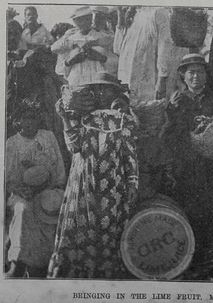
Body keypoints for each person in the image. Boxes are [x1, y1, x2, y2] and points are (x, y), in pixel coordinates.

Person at [47, 72, 138, 279]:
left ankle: (105, 276)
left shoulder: (125, 121)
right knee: (80, 225)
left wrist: (132, 183)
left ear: (114, 92)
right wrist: (66, 118)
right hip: (83, 181)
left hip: (113, 183)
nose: (100, 92)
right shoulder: (81, 118)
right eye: (97, 89)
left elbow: (130, 155)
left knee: (108, 227)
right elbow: (74, 146)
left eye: (105, 88)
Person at [163, 54, 213, 256]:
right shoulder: (178, 99)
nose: (196, 76)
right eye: (191, 72)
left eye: (200, 71)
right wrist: (171, 110)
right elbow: (169, 132)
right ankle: (193, 249)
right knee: (190, 203)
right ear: (183, 76)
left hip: (212, 161)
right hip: (187, 162)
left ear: (206, 75)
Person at [5, 99, 66, 277]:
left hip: (48, 188)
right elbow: (8, 178)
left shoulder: (48, 136)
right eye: (25, 118)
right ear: (18, 120)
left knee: (51, 205)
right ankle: (19, 262)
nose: (30, 122)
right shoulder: (12, 143)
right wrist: (22, 190)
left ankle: (43, 263)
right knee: (23, 209)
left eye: (33, 117)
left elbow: (59, 168)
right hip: (21, 193)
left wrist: (51, 185)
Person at [113, 7, 187, 105]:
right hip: (129, 78)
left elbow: (164, 45)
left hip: (149, 77)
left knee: (151, 109)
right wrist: (120, 19)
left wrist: (162, 78)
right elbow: (117, 50)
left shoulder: (158, 12)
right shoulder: (132, 16)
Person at [51, 6, 115, 88]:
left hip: (98, 81)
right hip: (76, 82)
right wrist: (71, 60)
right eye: (79, 20)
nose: (83, 22)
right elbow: (60, 66)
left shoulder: (102, 37)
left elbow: (114, 62)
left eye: (87, 19)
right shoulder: (70, 38)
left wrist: (101, 57)